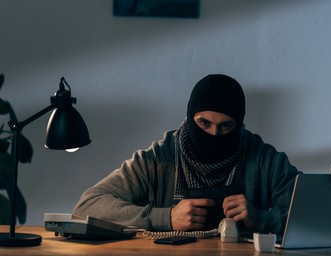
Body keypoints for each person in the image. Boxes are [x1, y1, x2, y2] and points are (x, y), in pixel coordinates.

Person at [73, 74, 300, 236]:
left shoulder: (265, 159)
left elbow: (311, 216)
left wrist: (260, 218)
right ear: (190, 117)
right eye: (204, 123)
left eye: (226, 126)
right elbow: (87, 206)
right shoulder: (157, 159)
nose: (214, 134)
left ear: (239, 124)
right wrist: (167, 218)